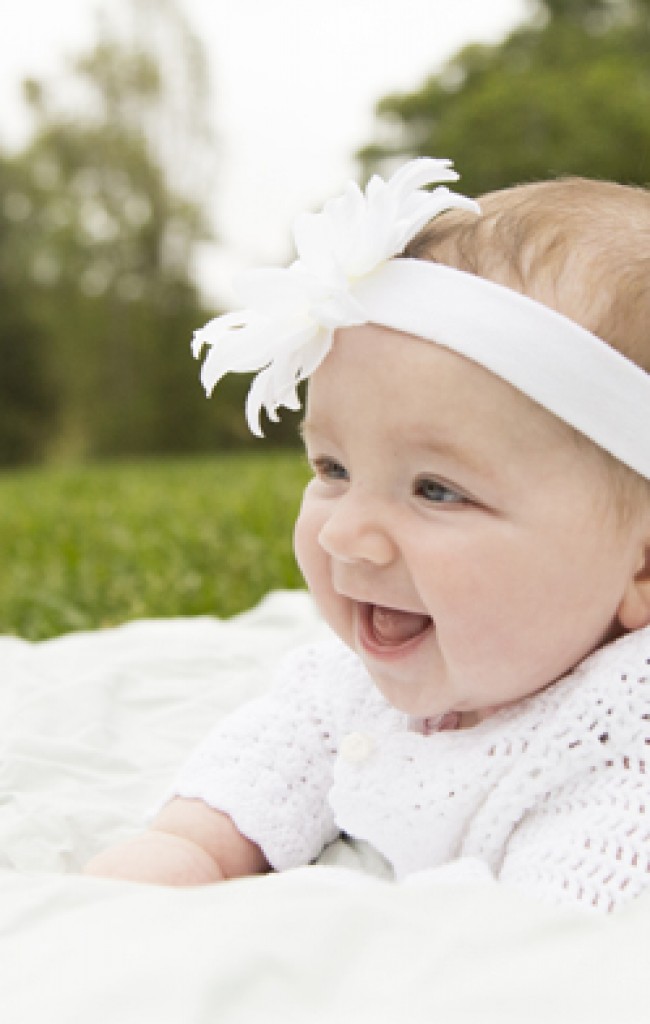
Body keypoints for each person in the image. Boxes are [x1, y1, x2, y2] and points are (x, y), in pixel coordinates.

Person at [85, 159, 650, 912]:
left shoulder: (621, 755)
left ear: (643, 566)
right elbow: (283, 746)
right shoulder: (381, 670)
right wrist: (187, 848)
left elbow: (542, 951)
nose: (347, 534)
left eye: (436, 490)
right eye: (334, 468)